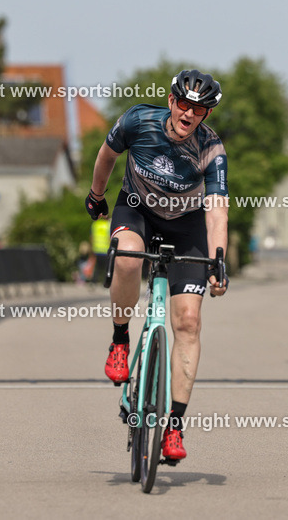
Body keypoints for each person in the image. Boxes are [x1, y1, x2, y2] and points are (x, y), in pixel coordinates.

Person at [85, 69, 229, 462]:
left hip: (186, 226)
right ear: (171, 100)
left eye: (198, 109)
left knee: (188, 322)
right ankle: (119, 340)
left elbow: (216, 209)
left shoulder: (211, 150)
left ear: (205, 116)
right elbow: (107, 155)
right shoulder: (137, 120)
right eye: (183, 103)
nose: (189, 113)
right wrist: (97, 196)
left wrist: (218, 260)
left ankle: (175, 426)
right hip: (137, 211)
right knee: (128, 259)